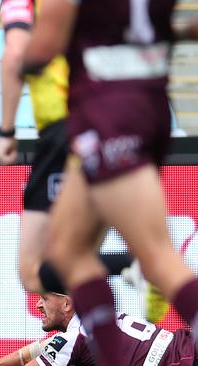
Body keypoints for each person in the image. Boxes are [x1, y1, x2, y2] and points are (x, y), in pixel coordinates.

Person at [21, 1, 198, 365]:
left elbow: (39, 51)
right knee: (66, 252)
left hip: (106, 113)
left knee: (156, 255)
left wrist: (23, 54)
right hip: (149, 107)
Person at [0, 0, 169, 323]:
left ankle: (137, 263)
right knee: (79, 258)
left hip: (65, 128)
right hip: (119, 119)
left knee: (34, 272)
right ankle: (139, 264)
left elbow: (16, 54)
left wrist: (7, 132)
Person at [0, 292, 198, 366]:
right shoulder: (90, 325)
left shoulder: (74, 339)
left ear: (66, 304)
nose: (38, 304)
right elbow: (31, 351)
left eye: (44, 297)